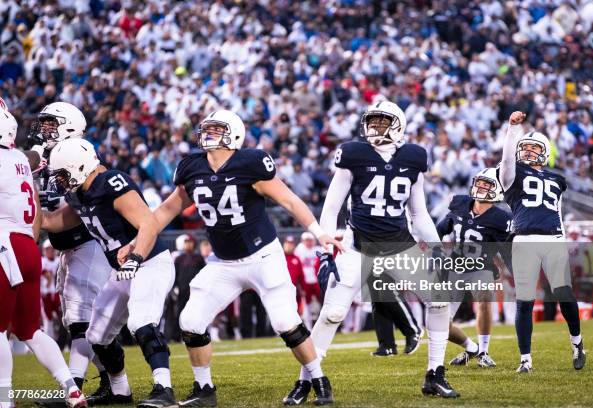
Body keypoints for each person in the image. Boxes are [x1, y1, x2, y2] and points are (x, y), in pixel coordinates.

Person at [124, 109, 343, 406]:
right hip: (223, 262)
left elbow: (289, 200)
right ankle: (204, 390)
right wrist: (136, 242)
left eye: (217, 129)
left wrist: (319, 233)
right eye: (208, 129)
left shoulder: (249, 163)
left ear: (234, 135)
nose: (209, 134)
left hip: (263, 256)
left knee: (285, 322)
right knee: (190, 320)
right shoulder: (192, 167)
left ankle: (318, 379)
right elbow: (164, 212)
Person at [284, 100, 459, 404]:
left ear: (399, 124)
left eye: (383, 121)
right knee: (332, 313)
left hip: (401, 245)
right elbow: (332, 206)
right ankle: (307, 381)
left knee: (439, 303)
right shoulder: (353, 154)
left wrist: (435, 249)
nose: (375, 127)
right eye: (373, 121)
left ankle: (435, 373)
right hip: (358, 246)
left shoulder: (414, 157)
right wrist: (326, 245)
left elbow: (419, 214)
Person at [42, 138, 176, 407]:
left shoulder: (111, 183)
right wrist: (24, 197)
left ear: (79, 166)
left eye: (62, 174)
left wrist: (135, 256)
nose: (59, 181)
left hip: (149, 262)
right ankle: (120, 390)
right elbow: (53, 223)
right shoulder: (79, 194)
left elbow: (148, 223)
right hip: (121, 270)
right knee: (96, 335)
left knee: (141, 322)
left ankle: (164, 389)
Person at [0, 102, 87, 408]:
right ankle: (72, 389)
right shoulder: (19, 159)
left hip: (3, 245)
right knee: (29, 329)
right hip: (27, 246)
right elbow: (34, 157)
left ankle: (4, 399)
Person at [27, 102, 114, 401]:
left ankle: (73, 388)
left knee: (81, 319)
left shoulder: (77, 154)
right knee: (76, 321)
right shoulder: (47, 157)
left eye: (52, 124)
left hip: (87, 242)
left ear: (69, 126)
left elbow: (77, 211)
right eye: (45, 123)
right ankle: (115, 385)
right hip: (67, 247)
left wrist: (39, 222)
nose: (44, 129)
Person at [499, 111, 586, 373]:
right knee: (524, 302)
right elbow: (505, 159)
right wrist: (513, 130)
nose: (527, 152)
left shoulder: (557, 180)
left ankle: (577, 343)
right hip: (524, 240)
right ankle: (525, 359)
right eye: (524, 148)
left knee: (564, 294)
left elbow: (557, 212)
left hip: (553, 239)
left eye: (534, 148)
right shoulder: (511, 175)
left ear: (545, 152)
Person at [436, 167, 511, 368]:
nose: (480, 187)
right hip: (454, 266)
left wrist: (515, 272)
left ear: (496, 190)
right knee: (439, 321)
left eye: (486, 184)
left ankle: (484, 350)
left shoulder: (501, 218)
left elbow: (506, 250)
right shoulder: (460, 203)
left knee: (485, 299)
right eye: (479, 182)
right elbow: (441, 229)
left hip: (481, 266)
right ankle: (472, 349)